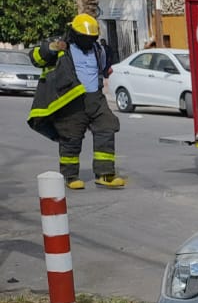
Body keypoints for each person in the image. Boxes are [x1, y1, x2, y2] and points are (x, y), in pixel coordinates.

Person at [26, 14, 125, 189]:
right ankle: (70, 176)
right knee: (71, 137)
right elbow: (35, 58)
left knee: (107, 127)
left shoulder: (97, 49)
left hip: (95, 98)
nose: (88, 41)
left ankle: (105, 174)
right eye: (85, 38)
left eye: (91, 38)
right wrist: (53, 47)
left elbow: (102, 67)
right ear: (75, 34)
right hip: (72, 99)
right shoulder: (63, 47)